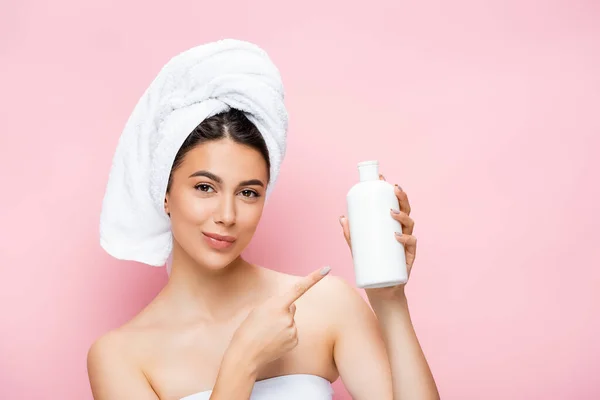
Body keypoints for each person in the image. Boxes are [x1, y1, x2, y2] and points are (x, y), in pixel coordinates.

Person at [87, 40, 439, 400]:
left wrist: (390, 300)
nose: (227, 216)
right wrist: (243, 359)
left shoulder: (325, 305)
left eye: (248, 193)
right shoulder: (121, 357)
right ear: (165, 193)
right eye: (205, 187)